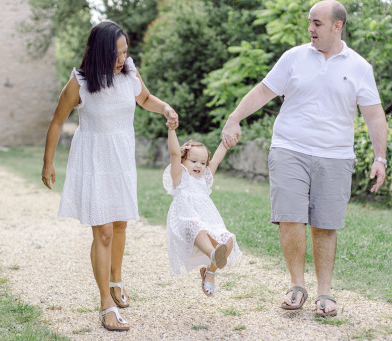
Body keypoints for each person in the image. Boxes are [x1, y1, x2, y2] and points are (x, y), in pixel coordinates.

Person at [221, 0, 387, 317]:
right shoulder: (294, 57)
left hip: (336, 155)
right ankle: (297, 285)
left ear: (337, 26)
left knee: (325, 225)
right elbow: (263, 91)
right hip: (289, 147)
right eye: (309, 22)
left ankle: (325, 292)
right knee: (290, 217)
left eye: (317, 23)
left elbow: (375, 116)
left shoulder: (359, 67)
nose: (310, 29)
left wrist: (381, 157)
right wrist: (234, 118)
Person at [41, 21, 178, 331]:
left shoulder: (129, 72)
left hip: (121, 161)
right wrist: (48, 162)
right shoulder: (80, 82)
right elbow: (56, 121)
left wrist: (165, 108)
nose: (122, 59)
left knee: (119, 224)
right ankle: (105, 304)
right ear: (100, 53)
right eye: (116, 54)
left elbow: (144, 99)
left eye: (125, 52)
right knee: (102, 231)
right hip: (94, 162)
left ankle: (116, 281)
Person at [163, 120, 242, 297]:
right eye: (194, 161)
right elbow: (174, 153)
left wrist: (225, 142)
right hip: (185, 221)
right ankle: (213, 254)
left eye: (202, 163)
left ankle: (210, 271)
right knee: (196, 226)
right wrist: (172, 130)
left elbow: (216, 159)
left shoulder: (204, 181)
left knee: (228, 238)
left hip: (208, 221)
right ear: (183, 160)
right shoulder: (179, 179)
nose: (199, 165)